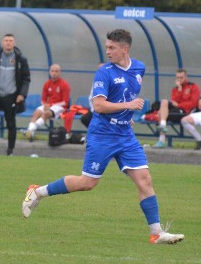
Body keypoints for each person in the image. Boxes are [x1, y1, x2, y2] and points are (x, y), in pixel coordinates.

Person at [22, 29, 185, 245]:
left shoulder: (139, 67)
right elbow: (98, 105)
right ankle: (38, 191)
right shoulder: (104, 73)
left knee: (145, 179)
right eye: (106, 47)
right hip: (102, 134)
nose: (107, 51)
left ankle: (156, 233)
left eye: (111, 48)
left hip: (125, 134)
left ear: (124, 49)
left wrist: (127, 114)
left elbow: (127, 93)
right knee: (88, 182)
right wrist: (127, 106)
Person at [152, 69, 199, 148]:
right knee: (163, 102)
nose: (179, 79)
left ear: (186, 77)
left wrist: (179, 105)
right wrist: (179, 90)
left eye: (181, 77)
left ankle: (161, 140)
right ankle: (163, 125)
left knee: (161, 113)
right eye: (177, 78)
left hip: (185, 112)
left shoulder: (193, 87)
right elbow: (174, 101)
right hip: (176, 111)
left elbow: (193, 104)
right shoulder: (175, 89)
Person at [24, 64, 71, 142]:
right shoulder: (47, 84)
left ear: (60, 73)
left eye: (56, 71)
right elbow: (43, 99)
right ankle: (30, 133)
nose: (54, 73)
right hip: (49, 105)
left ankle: (30, 130)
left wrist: (50, 105)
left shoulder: (64, 85)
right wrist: (45, 104)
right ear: (49, 72)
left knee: (46, 113)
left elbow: (65, 102)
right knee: (37, 112)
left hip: (60, 107)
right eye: (52, 71)